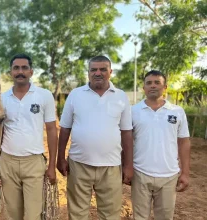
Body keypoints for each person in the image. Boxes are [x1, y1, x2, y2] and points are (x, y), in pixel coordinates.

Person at [57, 55, 134, 220]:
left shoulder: (121, 97)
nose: (98, 73)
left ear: (110, 72)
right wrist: (60, 157)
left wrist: (128, 165)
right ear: (88, 73)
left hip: (111, 166)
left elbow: (127, 132)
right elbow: (65, 128)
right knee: (77, 214)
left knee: (110, 215)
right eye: (93, 69)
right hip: (78, 164)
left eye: (102, 69)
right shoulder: (75, 95)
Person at [0, 53, 58, 220]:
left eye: (24, 68)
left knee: (33, 215)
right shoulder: (2, 98)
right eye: (16, 68)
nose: (20, 71)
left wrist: (51, 166)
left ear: (31, 72)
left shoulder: (44, 96)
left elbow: (51, 129)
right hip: (7, 162)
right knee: (12, 214)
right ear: (11, 72)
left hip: (34, 163)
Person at [131, 70, 191, 220]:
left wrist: (185, 173)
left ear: (165, 87)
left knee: (165, 217)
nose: (153, 86)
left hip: (169, 175)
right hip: (140, 174)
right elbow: (125, 142)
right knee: (139, 217)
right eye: (149, 83)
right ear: (143, 88)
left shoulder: (177, 112)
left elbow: (184, 142)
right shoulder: (133, 111)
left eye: (157, 82)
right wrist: (127, 168)